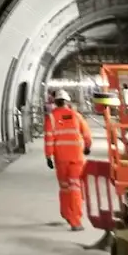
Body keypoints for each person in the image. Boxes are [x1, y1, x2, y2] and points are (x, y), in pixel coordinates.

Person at [44, 89, 92, 231]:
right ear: (67, 101)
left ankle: (66, 213)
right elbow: (87, 133)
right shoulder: (76, 115)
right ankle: (75, 221)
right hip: (77, 158)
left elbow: (49, 139)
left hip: (61, 158)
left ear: (55, 102)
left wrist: (48, 156)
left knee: (65, 188)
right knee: (75, 189)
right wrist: (88, 146)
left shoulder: (51, 118)